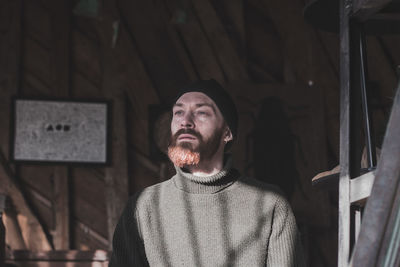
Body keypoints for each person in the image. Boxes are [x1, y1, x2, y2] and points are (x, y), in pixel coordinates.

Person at [109, 79, 305, 267]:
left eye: (201, 112)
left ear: (227, 132)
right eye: (178, 112)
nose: (185, 121)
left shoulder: (271, 204)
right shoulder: (142, 207)